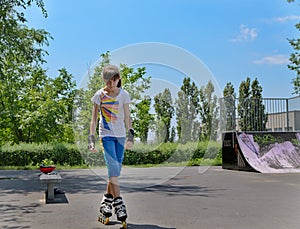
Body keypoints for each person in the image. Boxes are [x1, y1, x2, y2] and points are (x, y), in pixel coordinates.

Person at [88, 64, 134, 226]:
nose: (111, 83)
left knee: (115, 171)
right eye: (108, 80)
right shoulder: (99, 95)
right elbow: (93, 119)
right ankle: (119, 204)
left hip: (120, 136)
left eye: (114, 80)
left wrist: (131, 136)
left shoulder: (124, 95)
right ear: (104, 80)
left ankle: (106, 201)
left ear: (118, 79)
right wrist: (91, 138)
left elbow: (128, 117)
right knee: (113, 168)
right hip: (106, 136)